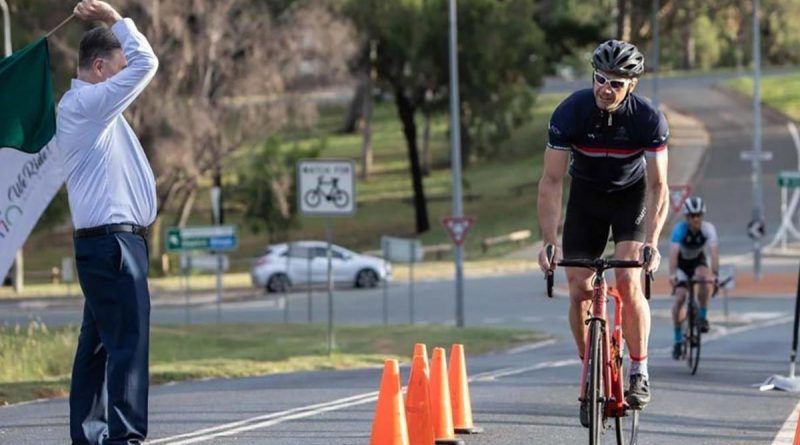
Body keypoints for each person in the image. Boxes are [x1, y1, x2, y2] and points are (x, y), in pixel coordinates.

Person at [537, 40, 669, 420]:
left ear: (632, 86)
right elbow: (550, 181)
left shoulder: (647, 120)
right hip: (587, 199)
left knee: (628, 281)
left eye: (615, 83)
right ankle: (590, 367)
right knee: (578, 286)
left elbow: (659, 187)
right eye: (600, 79)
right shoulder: (570, 113)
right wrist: (549, 241)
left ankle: (639, 370)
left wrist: (653, 243)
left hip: (630, 199)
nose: (604, 89)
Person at [57, 1, 158, 443]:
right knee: (127, 348)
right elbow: (147, 62)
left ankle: (90, 436)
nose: (126, 75)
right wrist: (115, 19)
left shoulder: (91, 109)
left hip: (106, 245)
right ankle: (125, 439)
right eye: (119, 67)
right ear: (99, 67)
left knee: (96, 348)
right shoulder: (90, 106)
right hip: (114, 246)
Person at [669, 196, 719, 359]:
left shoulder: (708, 229)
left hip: (698, 261)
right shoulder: (680, 230)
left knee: (705, 278)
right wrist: (672, 275)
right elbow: (673, 254)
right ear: (687, 217)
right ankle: (677, 340)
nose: (695, 219)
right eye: (692, 216)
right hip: (682, 265)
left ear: (702, 216)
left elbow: (713, 253)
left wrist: (715, 275)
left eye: (698, 215)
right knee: (680, 298)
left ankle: (703, 317)